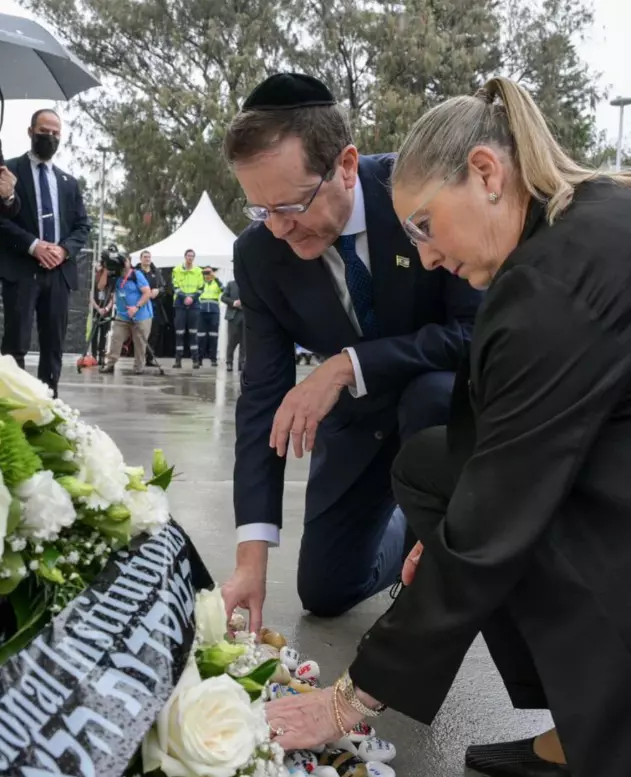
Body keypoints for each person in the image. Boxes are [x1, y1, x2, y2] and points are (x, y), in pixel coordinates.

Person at [266, 75, 631, 777]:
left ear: (486, 174)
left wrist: (351, 697)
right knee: (435, 467)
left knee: (501, 518)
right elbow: (491, 449)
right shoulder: (575, 223)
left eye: (425, 226)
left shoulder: (551, 286)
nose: (426, 256)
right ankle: (572, 710)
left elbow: (497, 508)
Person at [220, 73, 482, 631]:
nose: (280, 229)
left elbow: (471, 331)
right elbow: (263, 397)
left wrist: (347, 365)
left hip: (442, 407)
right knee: (324, 589)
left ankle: (439, 557)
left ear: (345, 165)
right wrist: (251, 557)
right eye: (260, 210)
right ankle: (398, 528)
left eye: (290, 205)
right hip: (359, 425)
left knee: (429, 394)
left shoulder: (416, 194)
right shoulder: (260, 254)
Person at [0, 109, 90, 397]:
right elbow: (2, 220)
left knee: (53, 348)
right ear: (30, 132)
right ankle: (11, 410)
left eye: (55, 133)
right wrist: (33, 245)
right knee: (15, 346)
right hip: (21, 272)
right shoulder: (8, 172)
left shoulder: (68, 183)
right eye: (44, 131)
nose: (49, 137)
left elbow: (82, 226)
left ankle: (49, 409)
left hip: (58, 275)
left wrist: (63, 250)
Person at [100, 255, 153, 375]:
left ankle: (139, 367)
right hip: (123, 315)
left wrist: (136, 307)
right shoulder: (115, 275)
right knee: (115, 338)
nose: (122, 264)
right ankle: (110, 364)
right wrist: (105, 269)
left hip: (141, 315)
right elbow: (100, 286)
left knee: (140, 342)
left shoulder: (136, 274)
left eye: (124, 260)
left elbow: (147, 292)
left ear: (129, 262)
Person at [172, 249, 203, 369]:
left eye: (192, 256)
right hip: (180, 303)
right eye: (188, 256)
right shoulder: (177, 270)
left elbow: (201, 288)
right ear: (185, 257)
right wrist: (185, 297)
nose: (190, 258)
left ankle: (195, 360)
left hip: (194, 304)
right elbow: (175, 286)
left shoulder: (198, 271)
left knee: (193, 333)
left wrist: (192, 298)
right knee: (179, 333)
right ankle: (178, 360)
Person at [136, 249, 165, 366]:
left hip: (154, 306)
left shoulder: (155, 271)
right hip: (141, 305)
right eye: (145, 257)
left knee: (154, 333)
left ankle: (149, 358)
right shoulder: (136, 272)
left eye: (149, 257)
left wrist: (158, 291)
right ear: (140, 259)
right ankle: (140, 357)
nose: (147, 259)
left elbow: (164, 287)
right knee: (141, 333)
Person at [198, 266, 224, 366]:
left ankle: (213, 359)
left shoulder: (216, 283)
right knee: (201, 337)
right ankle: (199, 358)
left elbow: (224, 290)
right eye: (205, 273)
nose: (207, 275)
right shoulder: (201, 283)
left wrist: (215, 278)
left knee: (213, 336)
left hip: (214, 312)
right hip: (202, 312)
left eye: (209, 272)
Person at [90, 260, 113, 365]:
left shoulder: (110, 281)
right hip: (96, 310)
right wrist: (98, 308)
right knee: (94, 334)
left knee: (104, 334)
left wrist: (107, 308)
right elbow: (90, 296)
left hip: (106, 311)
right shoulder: (93, 280)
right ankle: (93, 355)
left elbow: (113, 297)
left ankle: (102, 356)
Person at [221, 278, 245, 372]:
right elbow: (223, 297)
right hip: (233, 316)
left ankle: (242, 363)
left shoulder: (249, 284)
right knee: (232, 340)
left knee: (245, 341)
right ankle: (229, 362)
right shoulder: (230, 284)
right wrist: (233, 302)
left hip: (246, 315)